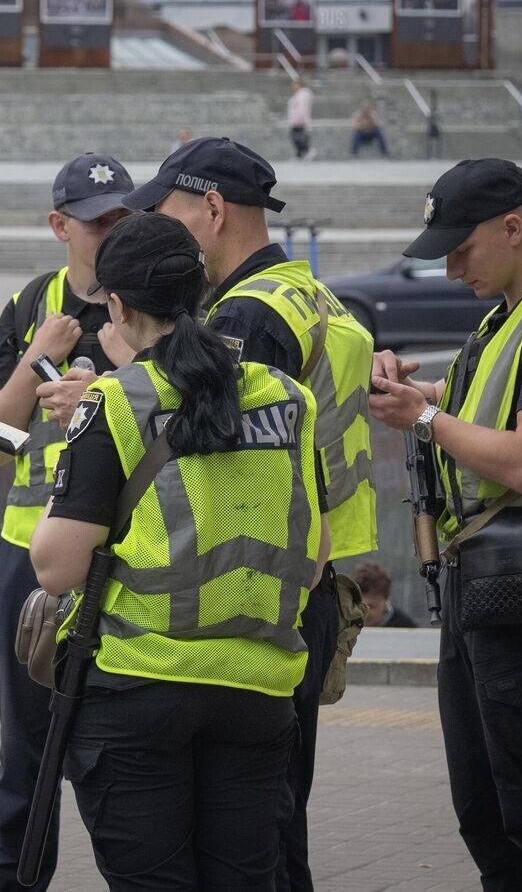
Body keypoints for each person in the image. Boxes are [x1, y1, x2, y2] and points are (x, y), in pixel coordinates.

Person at [30, 211, 330, 889]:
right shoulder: (288, 397)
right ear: (201, 291)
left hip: (140, 687)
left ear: (118, 304)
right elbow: (312, 561)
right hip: (257, 692)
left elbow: (55, 566)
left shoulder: (113, 401)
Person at [118, 136, 377, 892]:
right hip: (315, 577)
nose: (160, 234)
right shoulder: (310, 291)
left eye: (165, 214)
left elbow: (224, 461)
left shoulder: (246, 315)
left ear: (212, 207)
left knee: (257, 835)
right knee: (275, 815)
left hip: (270, 594)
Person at [368, 158, 522, 891]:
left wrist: (424, 416)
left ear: (512, 227)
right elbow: (468, 402)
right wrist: (411, 392)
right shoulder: (503, 319)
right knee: (483, 805)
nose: (450, 269)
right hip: (479, 581)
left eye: (460, 248)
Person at [0, 152, 134, 892]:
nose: (112, 231)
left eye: (123, 217)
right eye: (98, 221)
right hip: (26, 561)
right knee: (25, 761)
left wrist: (104, 393)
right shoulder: (31, 302)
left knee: (116, 760)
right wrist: (36, 358)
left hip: (123, 558)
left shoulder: (150, 300)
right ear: (60, 225)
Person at [350, 562, 418, 628]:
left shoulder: (406, 628)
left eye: (371, 606)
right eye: (358, 606)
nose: (364, 613)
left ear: (386, 599)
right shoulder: (341, 625)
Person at [287, 78, 314, 160]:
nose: (293, 86)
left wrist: (300, 119)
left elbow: (302, 108)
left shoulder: (302, 95)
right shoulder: (298, 95)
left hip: (299, 121)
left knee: (299, 137)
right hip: (296, 120)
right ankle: (300, 154)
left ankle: (306, 151)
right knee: (296, 137)